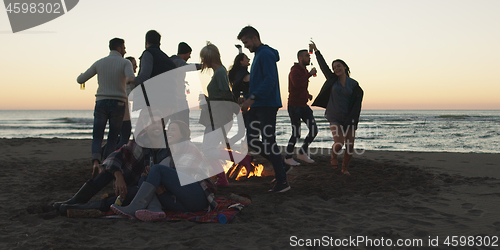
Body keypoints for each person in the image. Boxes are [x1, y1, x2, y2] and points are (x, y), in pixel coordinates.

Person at [52, 110, 171, 215]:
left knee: (135, 192)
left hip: (156, 190)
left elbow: (176, 172)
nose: (154, 126)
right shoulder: (139, 142)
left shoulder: (171, 144)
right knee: (109, 170)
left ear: (163, 124)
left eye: (157, 122)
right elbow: (117, 155)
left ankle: (82, 207)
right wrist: (118, 175)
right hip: (136, 182)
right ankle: (75, 201)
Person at [111, 120, 217, 221]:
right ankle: (155, 210)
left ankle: (134, 207)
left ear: (182, 134)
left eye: (173, 130)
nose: (169, 132)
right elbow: (161, 175)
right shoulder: (172, 154)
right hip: (182, 203)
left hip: (197, 197)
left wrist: (164, 187)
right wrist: (150, 175)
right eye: (169, 129)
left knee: (156, 169)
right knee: (145, 177)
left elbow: (184, 175)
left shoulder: (188, 146)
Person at [238, 26, 291, 192]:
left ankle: (283, 182)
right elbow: (259, 82)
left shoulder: (266, 54)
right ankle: (281, 164)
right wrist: (247, 97)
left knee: (269, 142)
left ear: (254, 38)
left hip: (267, 105)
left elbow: (270, 81)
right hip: (256, 105)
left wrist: (252, 98)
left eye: (246, 42)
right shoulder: (259, 55)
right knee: (253, 140)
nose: (245, 46)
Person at [77, 38, 135, 177]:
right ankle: (106, 165)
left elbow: (81, 80)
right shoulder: (125, 62)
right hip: (119, 102)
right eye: (124, 47)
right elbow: (131, 78)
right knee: (112, 138)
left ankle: (96, 162)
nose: (125, 50)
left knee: (97, 135)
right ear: (120, 48)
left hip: (101, 102)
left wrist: (80, 76)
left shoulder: (100, 62)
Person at [198, 42, 252, 187]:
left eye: (204, 58)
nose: (202, 61)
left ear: (209, 58)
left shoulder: (220, 72)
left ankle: (242, 159)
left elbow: (226, 96)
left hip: (219, 117)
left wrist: (207, 100)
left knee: (208, 151)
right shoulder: (219, 72)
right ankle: (222, 180)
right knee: (208, 150)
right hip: (215, 115)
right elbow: (222, 96)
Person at [310, 42, 363, 175]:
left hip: (349, 117)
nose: (336, 69)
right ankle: (334, 156)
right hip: (334, 116)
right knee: (339, 143)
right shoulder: (333, 79)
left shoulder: (354, 84)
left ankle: (344, 168)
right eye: (334, 67)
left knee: (350, 147)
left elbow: (357, 102)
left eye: (338, 66)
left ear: (345, 67)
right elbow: (323, 66)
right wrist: (316, 51)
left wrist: (353, 118)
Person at [284, 49, 318, 166]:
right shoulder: (295, 70)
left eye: (309, 56)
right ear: (300, 58)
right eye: (306, 56)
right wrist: (309, 75)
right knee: (296, 133)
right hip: (294, 106)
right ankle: (288, 157)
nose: (309, 58)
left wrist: (307, 94)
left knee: (314, 130)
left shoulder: (303, 70)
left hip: (303, 106)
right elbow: (296, 83)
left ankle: (302, 153)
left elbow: (300, 87)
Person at [169, 42, 203, 126]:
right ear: (185, 53)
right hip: (179, 99)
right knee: (183, 126)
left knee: (175, 124)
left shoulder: (171, 61)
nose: (189, 56)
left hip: (171, 99)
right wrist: (203, 66)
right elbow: (189, 67)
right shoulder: (178, 62)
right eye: (189, 54)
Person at [116, 56, 138, 149]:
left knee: (119, 136)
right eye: (134, 65)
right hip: (123, 108)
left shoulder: (121, 78)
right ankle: (116, 155)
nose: (136, 67)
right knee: (125, 136)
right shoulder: (128, 80)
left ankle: (107, 153)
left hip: (119, 107)